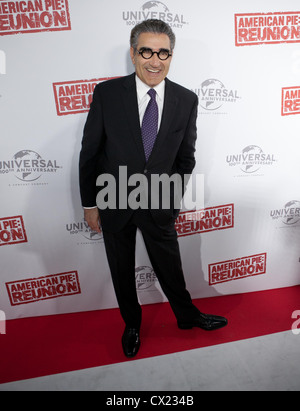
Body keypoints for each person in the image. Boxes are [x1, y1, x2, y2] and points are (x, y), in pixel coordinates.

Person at [79, 19, 227, 358]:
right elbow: (90, 153)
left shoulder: (186, 99)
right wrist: (90, 204)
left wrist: (171, 195)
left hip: (160, 200)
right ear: (133, 53)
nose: (154, 60)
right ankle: (132, 324)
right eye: (146, 51)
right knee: (121, 269)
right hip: (113, 199)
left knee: (171, 266)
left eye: (163, 53)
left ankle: (187, 316)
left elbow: (186, 157)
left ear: (171, 56)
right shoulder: (107, 94)